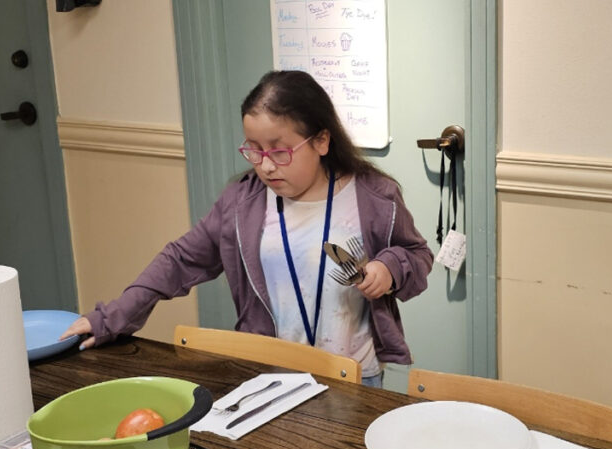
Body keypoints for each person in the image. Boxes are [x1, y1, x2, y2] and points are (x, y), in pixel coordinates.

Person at [60, 70, 433, 387]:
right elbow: (179, 260)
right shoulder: (243, 203)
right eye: (254, 150)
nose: (266, 166)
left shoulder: (373, 196)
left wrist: (389, 268)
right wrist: (111, 318)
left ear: (321, 140)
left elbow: (417, 256)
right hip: (269, 376)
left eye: (279, 150)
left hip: (355, 375)